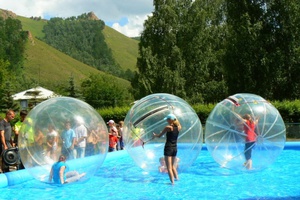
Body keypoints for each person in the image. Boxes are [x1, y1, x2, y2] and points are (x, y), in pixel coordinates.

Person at [153, 113, 181, 185]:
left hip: (168, 148)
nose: (167, 121)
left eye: (168, 120)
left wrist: (155, 135)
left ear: (170, 120)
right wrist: (175, 117)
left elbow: (159, 136)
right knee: (172, 166)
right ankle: (177, 179)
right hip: (175, 148)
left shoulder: (168, 128)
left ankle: (172, 183)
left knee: (169, 168)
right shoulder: (179, 127)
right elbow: (177, 122)